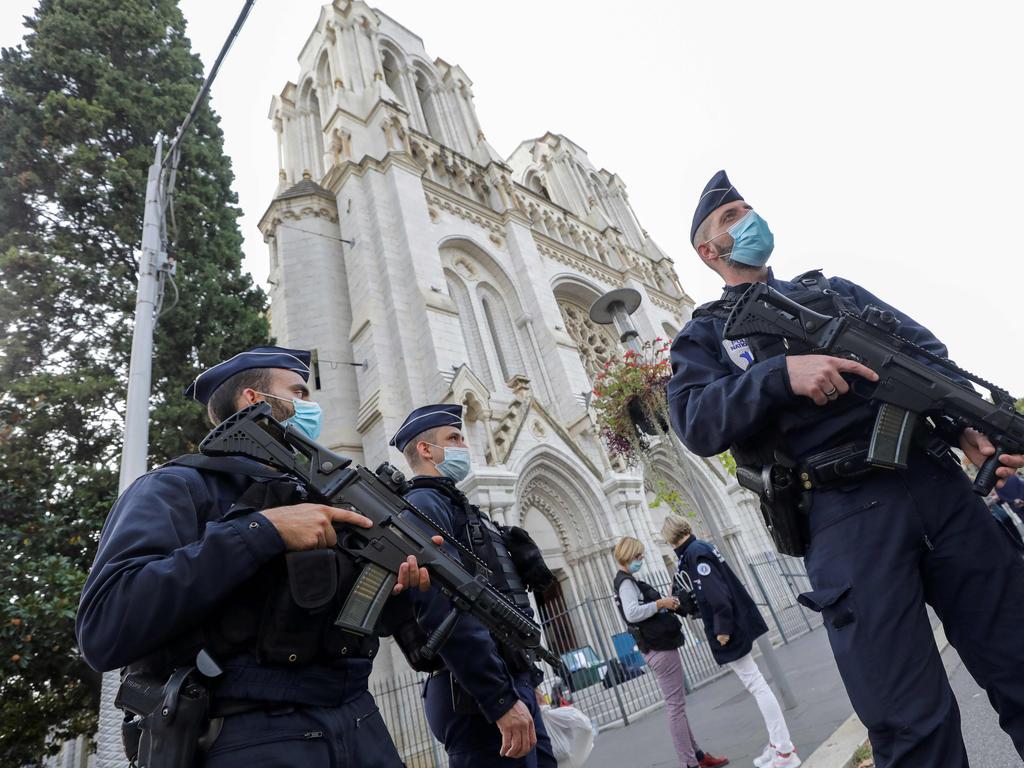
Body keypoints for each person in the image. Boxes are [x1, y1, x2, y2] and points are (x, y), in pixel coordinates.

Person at [668, 170, 1024, 767]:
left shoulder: (835, 293)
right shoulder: (706, 334)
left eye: (748, 209)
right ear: (709, 251)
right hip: (844, 514)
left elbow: (928, 356)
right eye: (731, 218)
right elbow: (697, 421)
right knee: (911, 723)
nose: (748, 221)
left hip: (937, 487)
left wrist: (964, 424)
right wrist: (779, 377)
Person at [76, 346, 439, 767]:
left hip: (358, 723)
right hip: (246, 733)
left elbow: (337, 618)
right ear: (255, 401)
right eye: (299, 393)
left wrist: (400, 583)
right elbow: (105, 627)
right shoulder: (176, 487)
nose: (311, 406)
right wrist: (263, 531)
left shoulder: (320, 498)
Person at [390, 403, 557, 768]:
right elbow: (443, 609)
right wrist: (498, 697)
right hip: (471, 693)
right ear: (426, 450)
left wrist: (522, 682)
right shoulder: (422, 505)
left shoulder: (454, 504)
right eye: (454, 438)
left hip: (504, 678)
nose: (465, 445)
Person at [659, 518, 799, 768]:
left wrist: (722, 631)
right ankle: (778, 744)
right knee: (756, 684)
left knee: (757, 685)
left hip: (729, 628)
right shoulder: (699, 549)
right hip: (733, 622)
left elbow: (717, 596)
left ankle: (785, 751)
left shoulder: (695, 554)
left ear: (669, 538)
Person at [612, 536, 730, 768]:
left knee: (677, 705)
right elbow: (632, 613)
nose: (641, 559)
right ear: (627, 556)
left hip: (658, 646)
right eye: (638, 556)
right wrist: (660, 604)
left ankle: (696, 755)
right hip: (659, 648)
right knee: (675, 707)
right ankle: (688, 762)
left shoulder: (627, 581)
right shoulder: (626, 583)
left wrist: (664, 601)